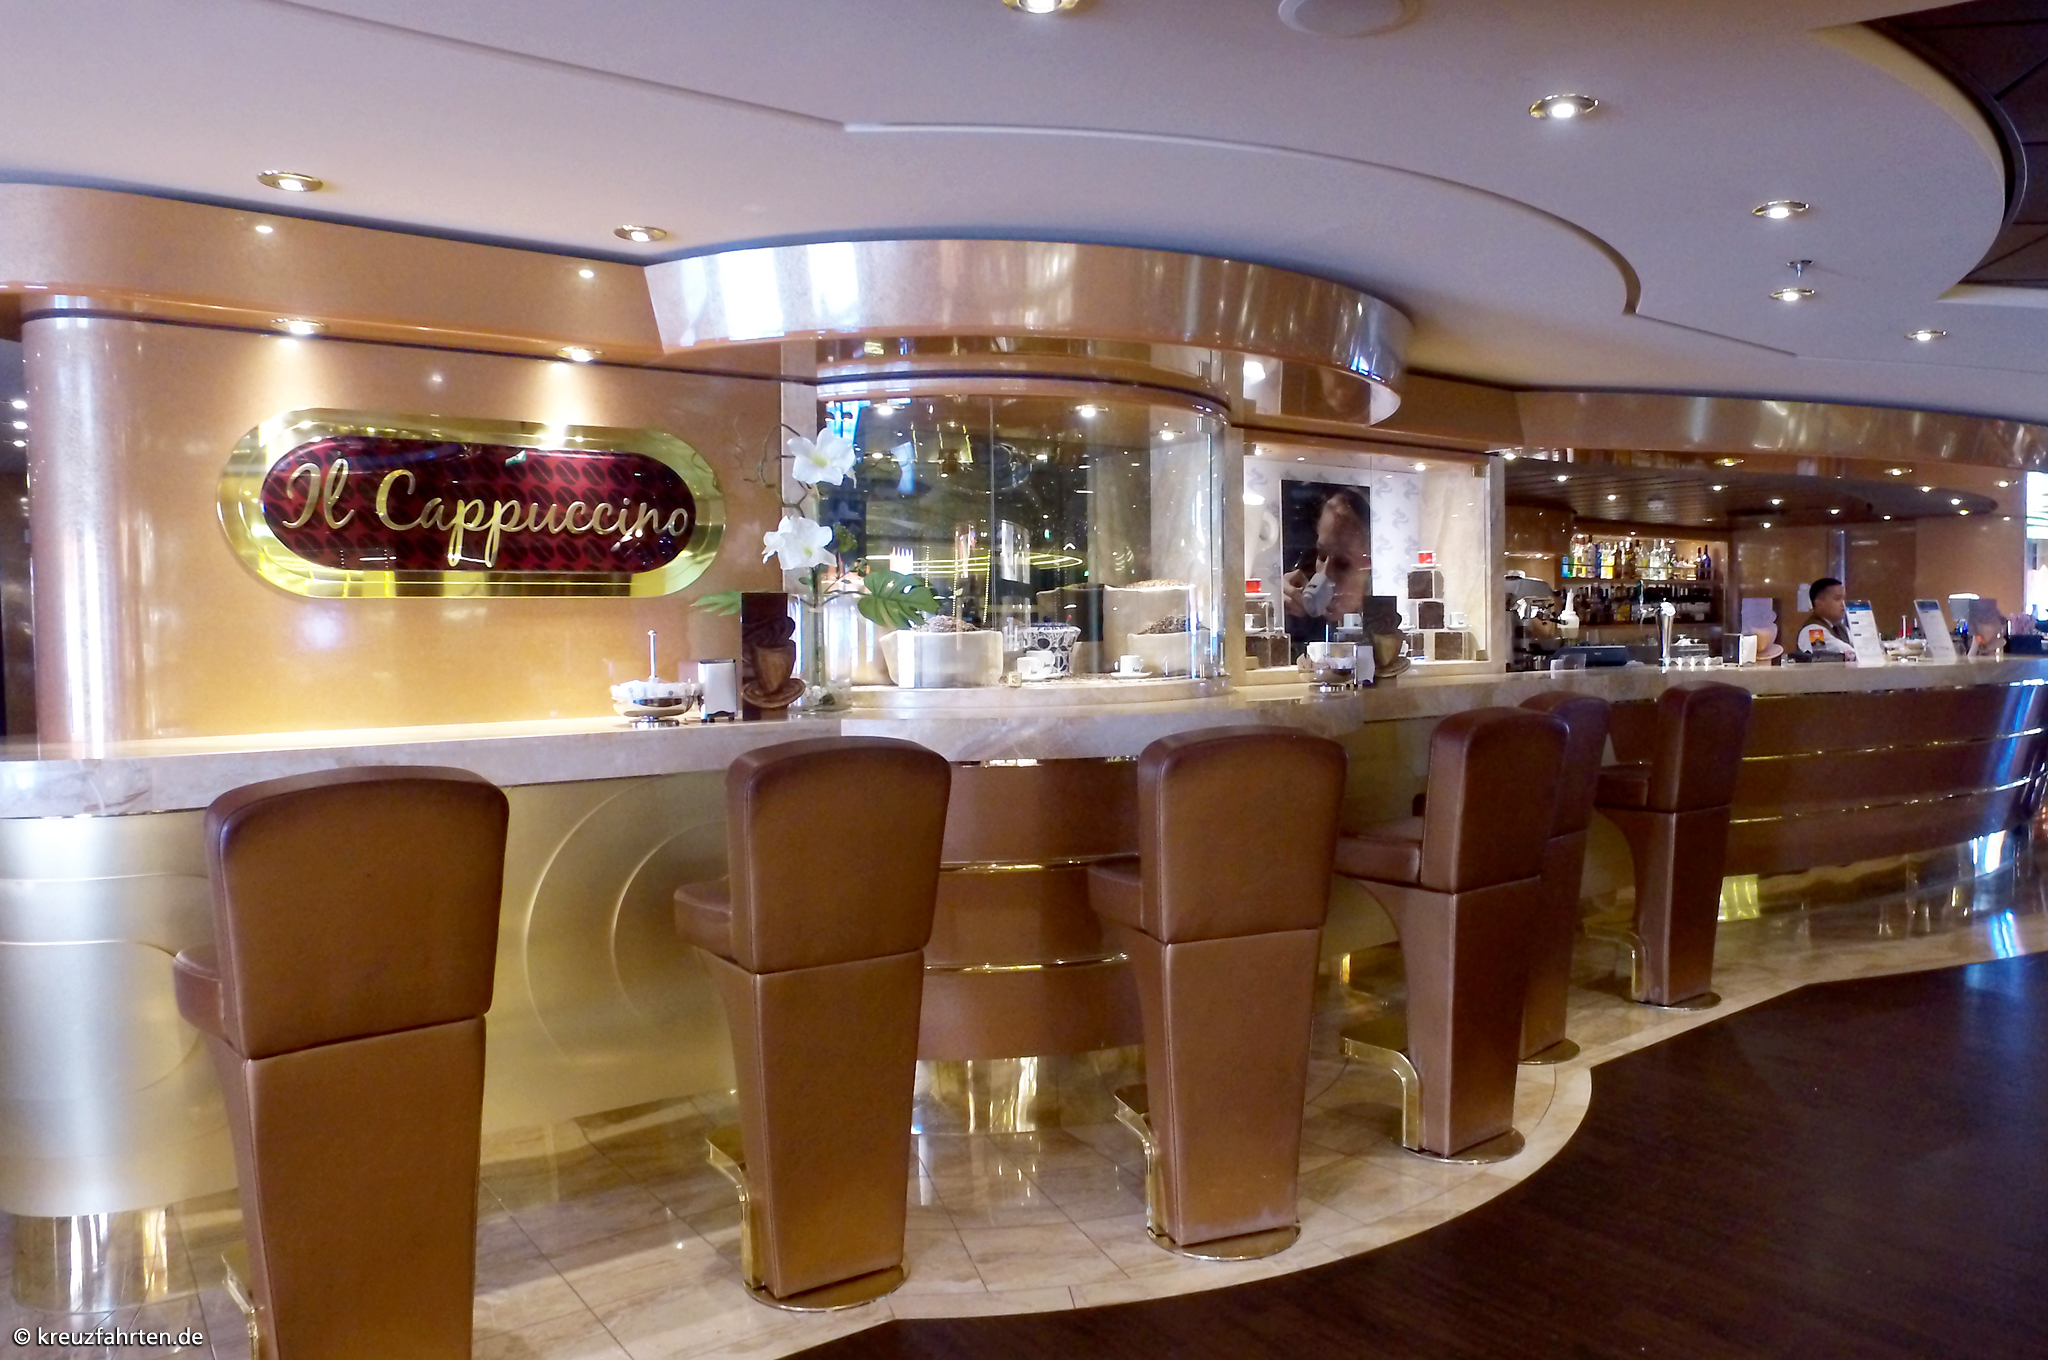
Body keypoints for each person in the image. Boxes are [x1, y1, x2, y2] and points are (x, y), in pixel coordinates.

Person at [1283, 487, 1371, 657]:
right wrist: (1279, 615)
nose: (1324, 575)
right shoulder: (1302, 612)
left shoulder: (1381, 628)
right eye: (1321, 555)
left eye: (1343, 563)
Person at [1797, 576, 1855, 656]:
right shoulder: (1811, 630)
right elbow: (1838, 648)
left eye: (1844, 599)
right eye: (1837, 599)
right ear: (1819, 604)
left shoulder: (1843, 629)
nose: (1843, 604)